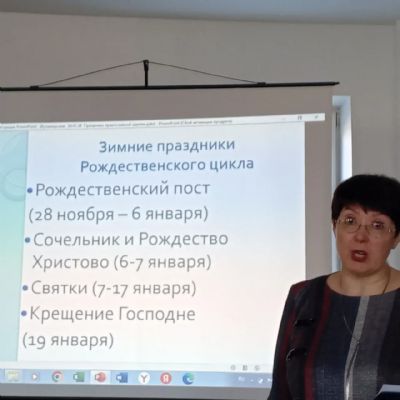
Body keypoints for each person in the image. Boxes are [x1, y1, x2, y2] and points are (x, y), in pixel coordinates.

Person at [268, 174, 400, 400]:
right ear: (334, 226)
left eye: (377, 225)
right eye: (350, 221)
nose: (361, 236)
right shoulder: (303, 296)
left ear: (396, 237)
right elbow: (281, 391)